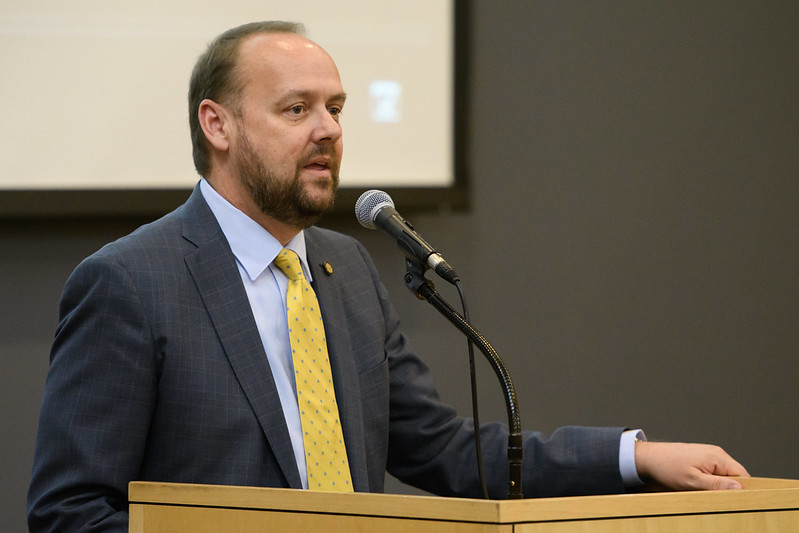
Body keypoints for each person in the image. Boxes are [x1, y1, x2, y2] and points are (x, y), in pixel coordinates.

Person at [27, 21, 748, 532]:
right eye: (296, 109)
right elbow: (70, 512)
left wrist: (633, 455)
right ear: (217, 125)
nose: (329, 130)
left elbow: (441, 451)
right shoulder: (131, 282)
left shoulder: (347, 274)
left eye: (335, 108)